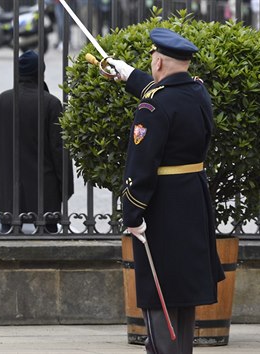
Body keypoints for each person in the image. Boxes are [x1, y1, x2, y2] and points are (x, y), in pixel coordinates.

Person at [103, 28, 225, 353]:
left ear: (158, 62)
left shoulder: (151, 108)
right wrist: (127, 74)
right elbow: (168, 92)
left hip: (163, 207)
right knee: (183, 293)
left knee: (159, 294)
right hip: (194, 202)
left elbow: (141, 165)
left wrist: (132, 212)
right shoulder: (198, 92)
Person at [0, 50, 73, 233]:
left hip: (9, 189)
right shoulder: (50, 103)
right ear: (40, 72)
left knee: (8, 238)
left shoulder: (1, 101)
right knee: (47, 237)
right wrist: (65, 187)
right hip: (45, 190)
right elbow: (59, 150)